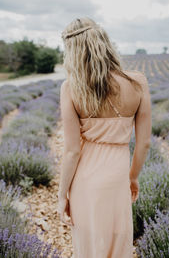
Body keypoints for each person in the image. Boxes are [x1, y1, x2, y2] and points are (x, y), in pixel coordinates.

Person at [57, 17, 152, 258]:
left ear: (73, 51)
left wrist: (62, 195)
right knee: (117, 245)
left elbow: (72, 151)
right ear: (104, 42)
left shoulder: (71, 88)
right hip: (117, 176)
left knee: (90, 247)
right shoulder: (137, 82)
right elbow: (144, 143)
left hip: (85, 180)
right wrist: (132, 177)